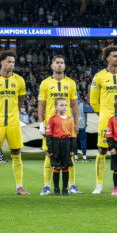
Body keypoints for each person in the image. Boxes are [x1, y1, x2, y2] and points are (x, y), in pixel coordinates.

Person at [90, 45, 117, 194]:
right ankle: (98, 184)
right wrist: (103, 114)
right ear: (107, 58)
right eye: (115, 56)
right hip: (106, 119)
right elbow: (93, 101)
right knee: (102, 149)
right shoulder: (99, 77)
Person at [0, 50, 29, 195]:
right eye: (9, 62)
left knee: (16, 152)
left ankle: (19, 186)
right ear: (1, 62)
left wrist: (14, 111)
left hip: (13, 121)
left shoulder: (19, 80)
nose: (11, 65)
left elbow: (21, 99)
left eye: (13, 62)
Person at [37, 55, 79, 195]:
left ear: (65, 66)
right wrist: (41, 124)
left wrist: (76, 124)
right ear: (52, 66)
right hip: (51, 127)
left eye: (62, 63)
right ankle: (47, 186)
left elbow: (74, 106)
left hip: (66, 125)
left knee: (70, 156)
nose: (60, 65)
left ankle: (72, 185)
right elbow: (41, 105)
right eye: (57, 63)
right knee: (49, 155)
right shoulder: (45, 83)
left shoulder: (71, 83)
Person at [45, 98, 76, 196]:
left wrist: (72, 149)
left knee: (65, 166)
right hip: (56, 144)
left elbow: (73, 136)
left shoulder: (70, 119)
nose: (64, 107)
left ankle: (65, 189)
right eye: (61, 105)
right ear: (56, 107)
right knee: (57, 166)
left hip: (66, 143)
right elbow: (48, 136)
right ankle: (56, 189)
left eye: (65, 105)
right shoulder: (52, 119)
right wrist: (50, 149)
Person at [75, 96, 92, 162]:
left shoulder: (68, 105)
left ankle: (75, 157)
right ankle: (84, 157)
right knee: (83, 142)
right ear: (79, 98)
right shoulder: (83, 106)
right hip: (81, 126)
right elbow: (92, 110)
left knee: (74, 143)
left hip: (72, 127)